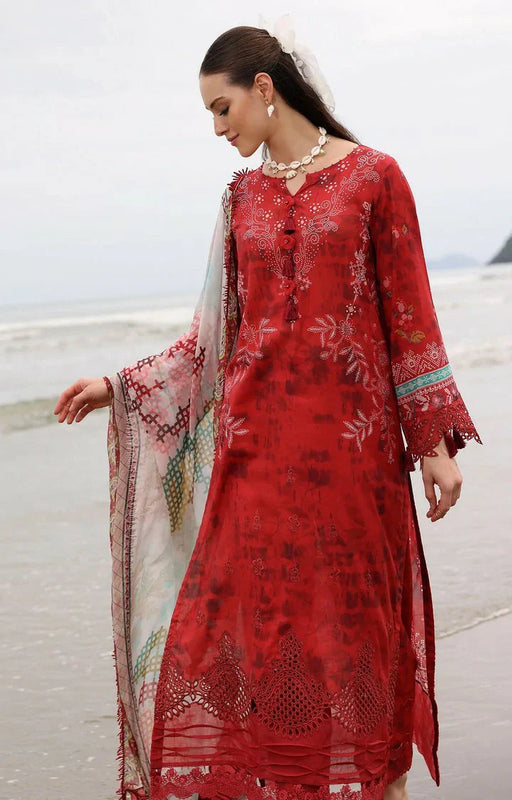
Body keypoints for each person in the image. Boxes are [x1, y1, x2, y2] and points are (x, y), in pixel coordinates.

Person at [54, 15, 482, 800]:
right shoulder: (240, 200)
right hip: (252, 470)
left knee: (352, 646)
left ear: (263, 88)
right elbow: (212, 341)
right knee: (249, 650)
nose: (217, 128)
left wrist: (432, 445)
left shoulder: (374, 178)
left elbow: (409, 318)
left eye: (222, 108)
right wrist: (118, 386)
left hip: (351, 470)